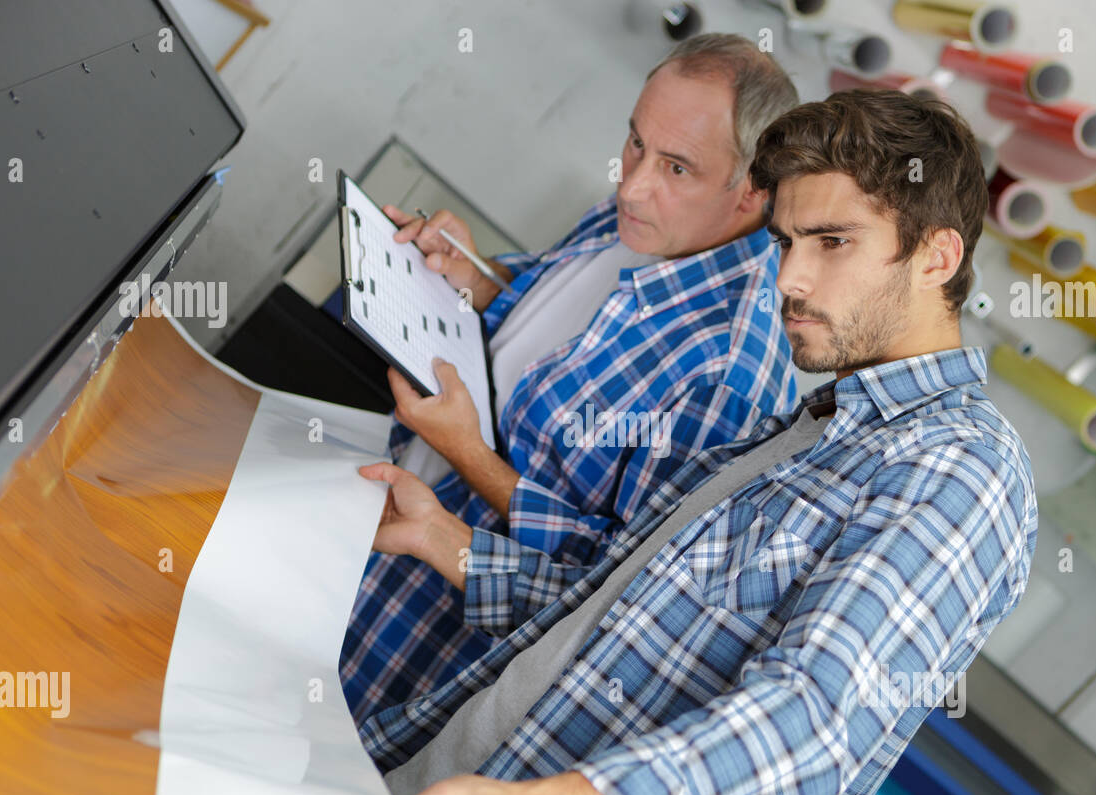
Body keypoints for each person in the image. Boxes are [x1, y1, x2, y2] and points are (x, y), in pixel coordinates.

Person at [354, 88, 1040, 795]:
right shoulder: (811, 430)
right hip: (437, 790)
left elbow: (810, 725)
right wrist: (452, 543)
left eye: (833, 243)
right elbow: (615, 619)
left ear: (937, 258)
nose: (790, 278)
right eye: (786, 242)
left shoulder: (960, 472)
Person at [340, 34, 801, 725]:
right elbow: (557, 329)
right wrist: (477, 278)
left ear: (753, 194)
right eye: (636, 142)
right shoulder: (636, 221)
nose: (632, 181)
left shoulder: (728, 376)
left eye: (677, 168)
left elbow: (609, 584)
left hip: (418, 652)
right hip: (364, 552)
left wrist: (470, 454)